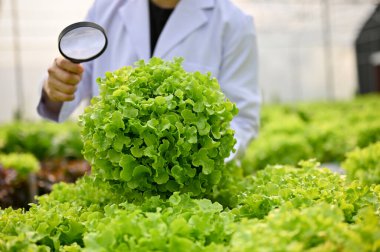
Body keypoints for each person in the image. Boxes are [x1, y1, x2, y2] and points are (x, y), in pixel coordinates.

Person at [37, 0, 260, 161]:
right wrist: (56, 88)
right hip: (114, 185)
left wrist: (198, 159)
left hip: (193, 194)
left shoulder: (234, 23)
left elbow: (242, 120)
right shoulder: (105, 9)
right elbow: (72, 87)